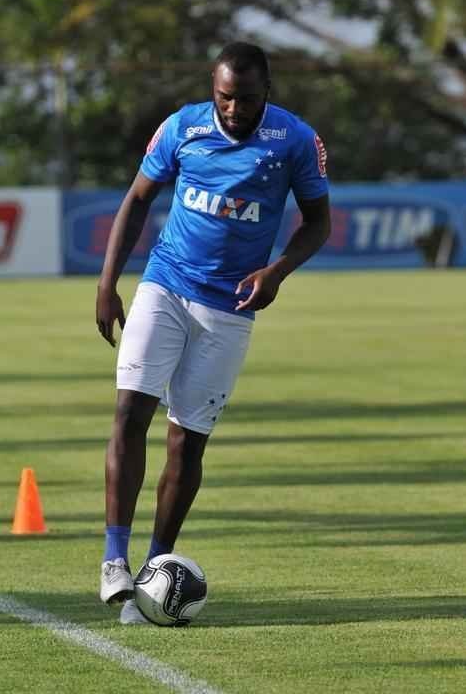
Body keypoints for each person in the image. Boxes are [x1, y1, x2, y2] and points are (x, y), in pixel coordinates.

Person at [95, 41, 331, 624]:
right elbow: (137, 200)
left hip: (230, 309)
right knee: (129, 414)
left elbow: (318, 221)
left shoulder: (295, 140)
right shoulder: (181, 128)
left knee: (187, 441)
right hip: (165, 286)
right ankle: (113, 560)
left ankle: (155, 572)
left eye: (245, 99)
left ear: (266, 93)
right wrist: (107, 283)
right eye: (224, 96)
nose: (233, 109)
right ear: (212, 89)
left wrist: (277, 271)